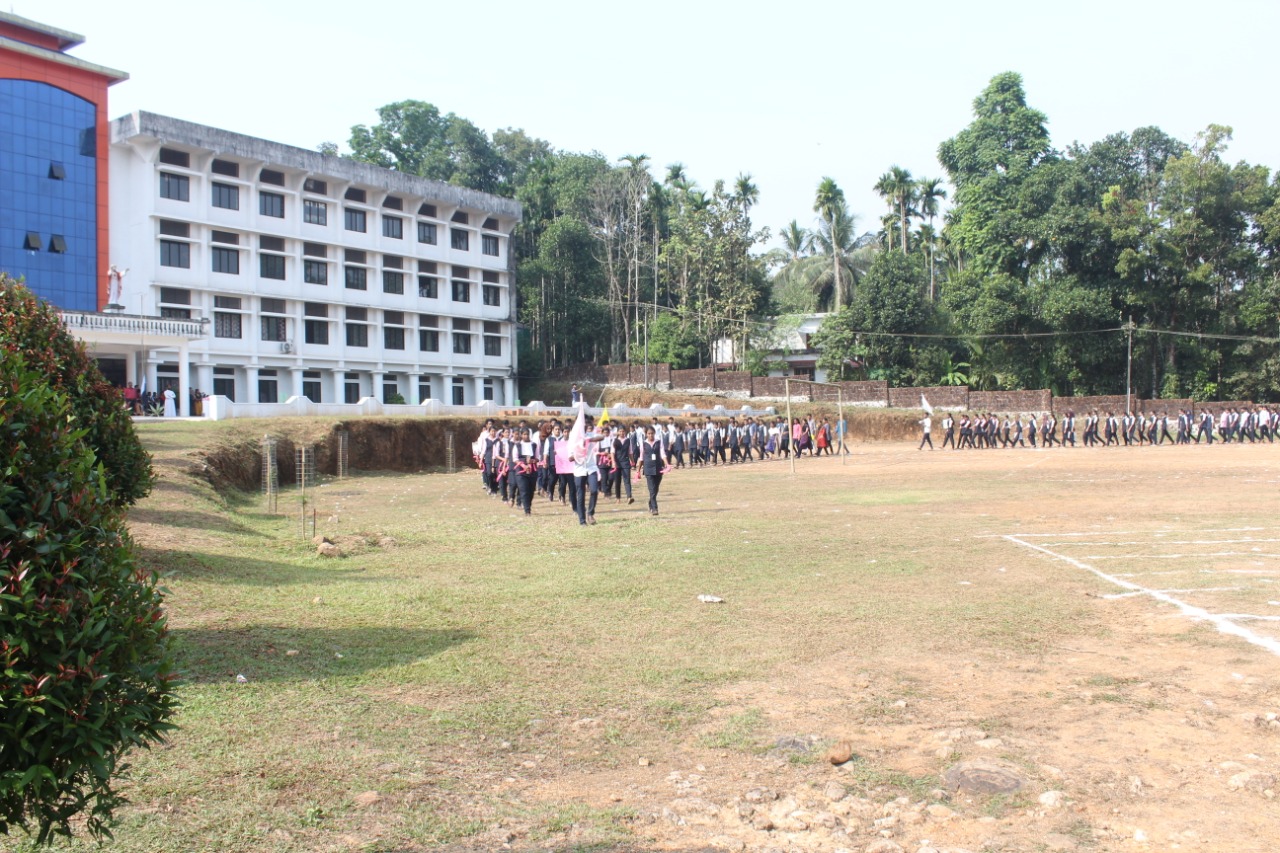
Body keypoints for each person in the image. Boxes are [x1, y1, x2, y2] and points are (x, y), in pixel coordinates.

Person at [639, 425, 669, 516]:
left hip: (658, 468)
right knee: (652, 489)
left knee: (655, 489)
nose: (650, 435)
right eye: (649, 434)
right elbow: (641, 457)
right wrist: (638, 470)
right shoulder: (643, 444)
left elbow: (663, 453)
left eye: (652, 433)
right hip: (648, 469)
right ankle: (654, 508)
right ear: (646, 434)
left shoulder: (659, 442)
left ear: (654, 434)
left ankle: (650, 503)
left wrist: (667, 464)